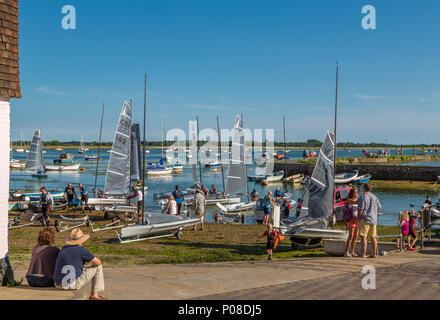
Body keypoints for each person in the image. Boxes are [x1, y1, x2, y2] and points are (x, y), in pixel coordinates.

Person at [53, 228, 106, 300]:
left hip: (58, 284)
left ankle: (94, 295)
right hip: (71, 285)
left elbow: (73, 261)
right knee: (98, 266)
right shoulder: (81, 250)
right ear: (81, 241)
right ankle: (95, 295)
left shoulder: (64, 248)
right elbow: (98, 262)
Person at [358, 183, 381, 258]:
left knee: (363, 237)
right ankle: (374, 253)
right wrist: (376, 214)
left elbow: (361, 209)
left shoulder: (363, 196)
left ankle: (363, 253)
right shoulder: (375, 197)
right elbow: (379, 207)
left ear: (364, 188)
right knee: (373, 237)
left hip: (365, 218)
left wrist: (359, 218)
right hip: (373, 219)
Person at [343, 188, 359, 257]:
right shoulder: (349, 200)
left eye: (357, 192)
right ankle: (346, 252)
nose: (356, 193)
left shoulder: (357, 201)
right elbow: (355, 203)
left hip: (357, 220)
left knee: (355, 236)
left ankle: (352, 251)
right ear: (352, 193)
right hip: (351, 220)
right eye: (355, 192)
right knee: (351, 236)